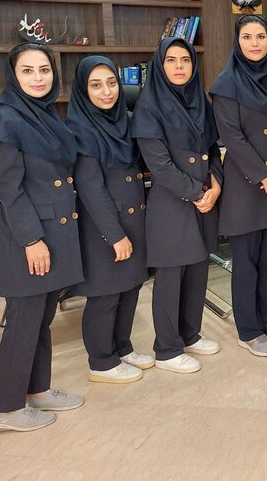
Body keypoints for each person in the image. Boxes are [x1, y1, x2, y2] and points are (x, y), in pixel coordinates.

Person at [0, 43, 84, 431]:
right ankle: (6, 408)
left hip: (52, 231)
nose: (38, 78)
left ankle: (36, 389)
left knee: (41, 318)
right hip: (29, 237)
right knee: (23, 321)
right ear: (13, 74)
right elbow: (9, 190)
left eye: (44, 70)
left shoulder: (43, 112)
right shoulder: (4, 118)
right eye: (27, 71)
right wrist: (31, 240)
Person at [210, 15, 267, 357]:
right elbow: (232, 138)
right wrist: (266, 177)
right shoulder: (226, 84)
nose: (255, 43)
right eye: (247, 37)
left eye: (261, 36)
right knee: (247, 264)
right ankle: (248, 330)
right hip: (247, 189)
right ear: (238, 42)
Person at [132, 38, 223, 372]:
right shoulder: (149, 106)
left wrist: (216, 185)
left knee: (197, 271)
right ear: (160, 65)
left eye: (185, 60)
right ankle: (168, 349)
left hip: (203, 198)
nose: (179, 66)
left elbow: (213, 150)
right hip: (172, 203)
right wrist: (198, 192)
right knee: (171, 278)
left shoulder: (201, 100)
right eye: (171, 60)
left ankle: (190, 334)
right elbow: (160, 165)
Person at [66, 57, 153, 384]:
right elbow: (91, 188)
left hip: (134, 219)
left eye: (112, 83)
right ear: (83, 89)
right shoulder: (79, 128)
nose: (106, 92)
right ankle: (101, 361)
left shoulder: (126, 120)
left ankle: (122, 347)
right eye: (96, 85)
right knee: (105, 294)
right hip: (103, 227)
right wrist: (115, 235)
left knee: (130, 286)